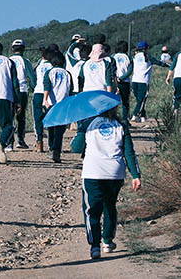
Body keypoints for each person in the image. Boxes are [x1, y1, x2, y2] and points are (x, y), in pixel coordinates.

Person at [72, 106, 142, 260]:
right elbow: (129, 152)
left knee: (92, 210)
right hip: (115, 173)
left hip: (93, 172)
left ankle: (95, 246)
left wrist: (79, 133)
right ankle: (108, 241)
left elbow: (76, 148)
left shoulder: (87, 124)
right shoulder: (121, 125)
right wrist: (135, 175)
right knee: (110, 205)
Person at [42, 50, 72, 163]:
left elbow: (47, 86)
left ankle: (51, 147)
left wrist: (45, 100)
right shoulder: (67, 73)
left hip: (51, 104)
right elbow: (70, 89)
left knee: (51, 127)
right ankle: (56, 150)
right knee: (60, 129)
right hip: (64, 104)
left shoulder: (49, 72)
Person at [7, 39, 31, 149]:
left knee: (10, 117)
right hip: (22, 90)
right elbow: (32, 77)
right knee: (21, 117)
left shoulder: (8, 60)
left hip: (9, 91)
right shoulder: (25, 61)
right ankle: (20, 140)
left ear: (12, 49)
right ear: (23, 49)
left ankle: (9, 142)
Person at [31, 45, 55, 152]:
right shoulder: (52, 67)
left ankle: (39, 142)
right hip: (49, 95)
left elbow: (33, 79)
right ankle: (51, 144)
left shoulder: (38, 66)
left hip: (38, 92)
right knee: (50, 119)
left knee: (37, 119)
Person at [128, 42, 158, 123]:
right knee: (141, 101)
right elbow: (160, 63)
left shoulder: (134, 57)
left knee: (139, 100)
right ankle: (134, 115)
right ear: (146, 49)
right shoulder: (148, 57)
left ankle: (143, 117)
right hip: (144, 82)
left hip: (134, 81)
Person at [112, 41, 133, 119]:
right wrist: (122, 78)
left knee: (114, 102)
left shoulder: (113, 56)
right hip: (125, 82)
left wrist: (115, 77)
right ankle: (125, 119)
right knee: (125, 102)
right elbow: (130, 71)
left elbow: (111, 69)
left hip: (114, 81)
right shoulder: (128, 58)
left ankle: (113, 117)